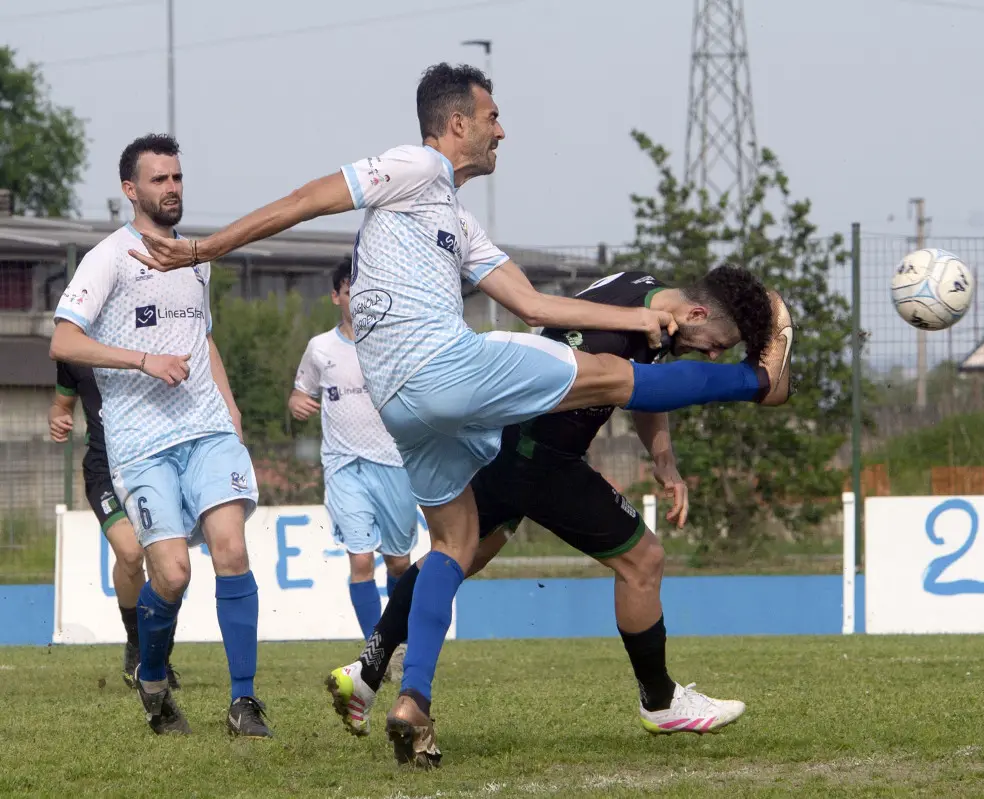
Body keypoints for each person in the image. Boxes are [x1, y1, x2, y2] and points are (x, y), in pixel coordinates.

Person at [127, 63, 794, 767]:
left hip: (403, 408)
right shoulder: (415, 166)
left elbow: (535, 306)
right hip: (442, 366)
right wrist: (204, 248)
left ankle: (410, 700)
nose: (501, 128)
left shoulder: (458, 221)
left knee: (455, 543)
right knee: (608, 378)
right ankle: (760, 382)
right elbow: (309, 198)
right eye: (492, 115)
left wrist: (637, 314)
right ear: (455, 125)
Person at [327, 266, 770, 739]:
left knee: (458, 556)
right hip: (543, 461)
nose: (717, 354)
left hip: (508, 447)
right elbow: (626, 381)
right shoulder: (613, 338)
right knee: (644, 561)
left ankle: (367, 671)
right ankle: (660, 701)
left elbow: (645, 383)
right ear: (698, 312)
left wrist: (664, 459)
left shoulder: (644, 296)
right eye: (719, 342)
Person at [49, 133, 270, 739]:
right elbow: (63, 341)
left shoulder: (196, 258)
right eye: (158, 180)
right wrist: (143, 359)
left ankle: (244, 703)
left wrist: (230, 408)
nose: (172, 188)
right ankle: (151, 680)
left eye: (176, 177)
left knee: (231, 549)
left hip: (206, 429)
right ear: (131, 190)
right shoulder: (110, 257)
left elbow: (203, 340)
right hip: (140, 442)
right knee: (170, 574)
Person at [289, 257, 417, 658]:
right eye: (349, 291)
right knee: (360, 561)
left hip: (393, 465)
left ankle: (401, 641)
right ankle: (378, 650)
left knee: (398, 564)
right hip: (344, 467)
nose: (356, 298)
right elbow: (300, 392)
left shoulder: (392, 343)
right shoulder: (320, 349)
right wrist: (296, 404)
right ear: (335, 297)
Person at [49, 362, 181, 690]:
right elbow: (61, 404)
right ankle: (137, 644)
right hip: (103, 472)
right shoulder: (74, 353)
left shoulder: (144, 344)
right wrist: (57, 418)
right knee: (131, 553)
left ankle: (160, 655)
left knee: (166, 564)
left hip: (152, 465)